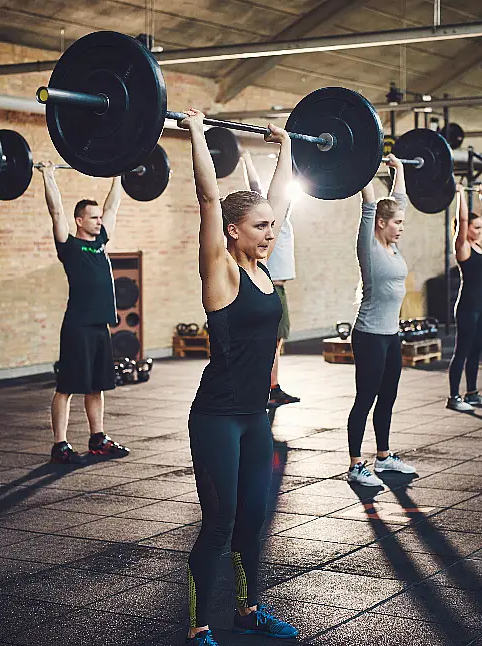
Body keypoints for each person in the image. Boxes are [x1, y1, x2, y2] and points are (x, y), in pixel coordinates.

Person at [179, 111, 298, 646]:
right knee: (220, 523)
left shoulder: (263, 269)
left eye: (273, 225)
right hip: (217, 417)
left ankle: (250, 612)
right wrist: (198, 134)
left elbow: (282, 196)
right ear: (234, 231)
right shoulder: (223, 270)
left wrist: (287, 145)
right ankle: (200, 626)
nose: (271, 232)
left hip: (256, 417)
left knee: (253, 521)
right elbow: (208, 199)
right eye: (261, 226)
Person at [38, 164, 129, 465]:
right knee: (67, 387)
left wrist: (119, 172)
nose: (99, 220)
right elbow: (55, 210)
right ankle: (60, 445)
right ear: (79, 220)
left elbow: (113, 205)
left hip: (100, 326)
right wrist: (48, 176)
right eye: (93, 217)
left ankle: (98, 438)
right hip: (77, 325)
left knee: (97, 386)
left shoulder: (101, 241)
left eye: (99, 218)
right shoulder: (69, 245)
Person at [346, 157, 418, 487]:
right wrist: (361, 164)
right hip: (370, 335)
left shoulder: (391, 246)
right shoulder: (370, 248)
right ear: (380, 223)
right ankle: (356, 464)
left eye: (402, 222)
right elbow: (370, 202)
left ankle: (384, 457)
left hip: (391, 336)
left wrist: (399, 170)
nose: (401, 227)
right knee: (366, 398)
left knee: (387, 396)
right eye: (397, 223)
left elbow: (397, 200)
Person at [241, 151, 300, 408]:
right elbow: (256, 188)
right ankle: (265, 388)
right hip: (271, 288)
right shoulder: (270, 222)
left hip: (279, 289)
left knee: (275, 342)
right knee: (269, 342)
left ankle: (272, 387)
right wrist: (246, 158)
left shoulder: (283, 220)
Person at [447, 184, 482, 412]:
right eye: (473, 228)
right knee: (462, 352)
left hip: (480, 307)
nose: (478, 231)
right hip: (467, 307)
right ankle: (454, 397)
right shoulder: (463, 246)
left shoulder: (477, 244)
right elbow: (463, 220)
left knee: (477, 350)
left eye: (478, 228)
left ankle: (472, 393)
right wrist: (460, 195)